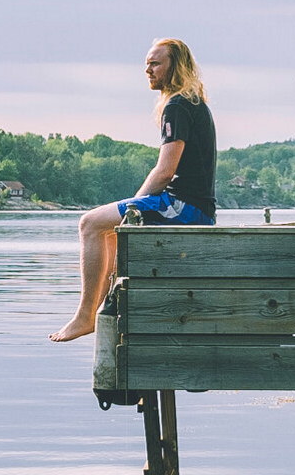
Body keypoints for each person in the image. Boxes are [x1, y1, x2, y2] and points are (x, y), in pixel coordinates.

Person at [50, 38, 218, 342]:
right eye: (146, 64)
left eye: (155, 63)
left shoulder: (178, 105)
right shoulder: (192, 103)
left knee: (89, 223)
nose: (148, 70)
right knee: (107, 229)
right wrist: (132, 209)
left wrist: (134, 206)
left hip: (185, 208)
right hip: (195, 208)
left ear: (175, 66)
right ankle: (101, 307)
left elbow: (165, 171)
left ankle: (85, 316)